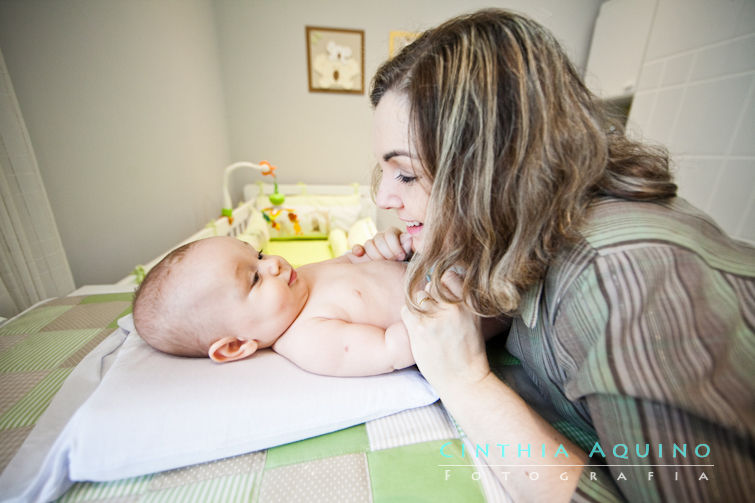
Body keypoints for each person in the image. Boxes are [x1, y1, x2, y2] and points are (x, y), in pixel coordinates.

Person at [352, 8, 754, 502]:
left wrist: (467, 383)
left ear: (493, 169)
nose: (384, 199)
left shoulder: (622, 280)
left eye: (407, 175)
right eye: (385, 173)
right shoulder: (512, 227)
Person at [132, 236, 415, 377]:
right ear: (235, 345)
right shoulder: (308, 338)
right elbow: (393, 349)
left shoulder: (301, 278)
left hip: (429, 266)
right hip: (444, 304)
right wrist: (440, 306)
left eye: (259, 255)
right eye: (255, 278)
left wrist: (387, 247)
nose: (273, 263)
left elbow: (358, 260)